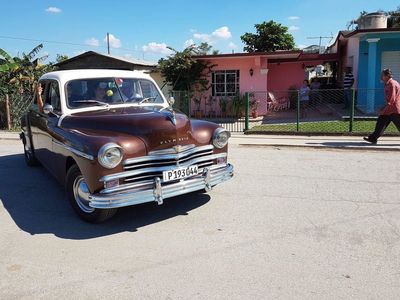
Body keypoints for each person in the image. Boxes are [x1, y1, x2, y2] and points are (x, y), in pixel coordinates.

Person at [364, 69, 400, 144]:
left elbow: (391, 99)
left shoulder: (392, 84)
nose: (381, 76)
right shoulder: (388, 83)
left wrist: (383, 107)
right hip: (389, 109)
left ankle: (373, 138)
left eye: (382, 75)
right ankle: (373, 138)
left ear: (387, 76)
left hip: (394, 109)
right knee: (380, 123)